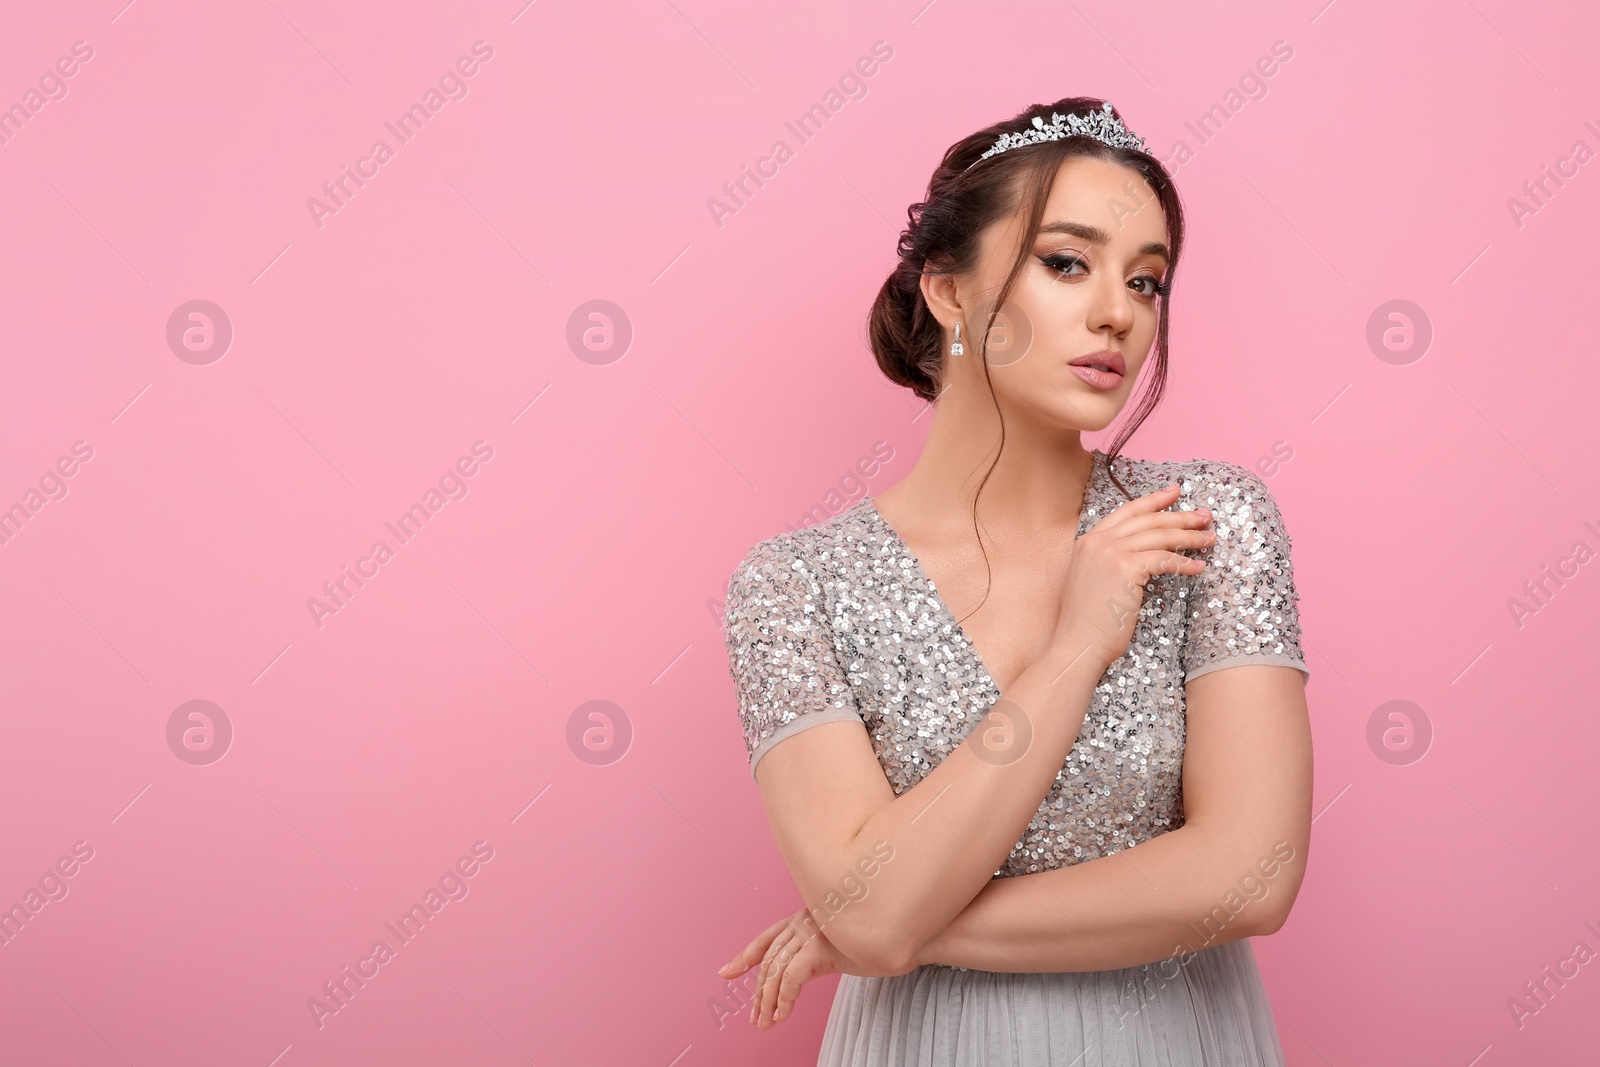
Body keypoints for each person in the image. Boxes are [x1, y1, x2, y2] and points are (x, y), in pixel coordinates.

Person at [717, 97, 1313, 1066]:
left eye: (1148, 279)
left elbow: (1251, 875)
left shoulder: (1206, 523)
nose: (1119, 310)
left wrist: (883, 927)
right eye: (1066, 261)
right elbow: (870, 909)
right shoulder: (796, 586)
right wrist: (1077, 644)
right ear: (948, 291)